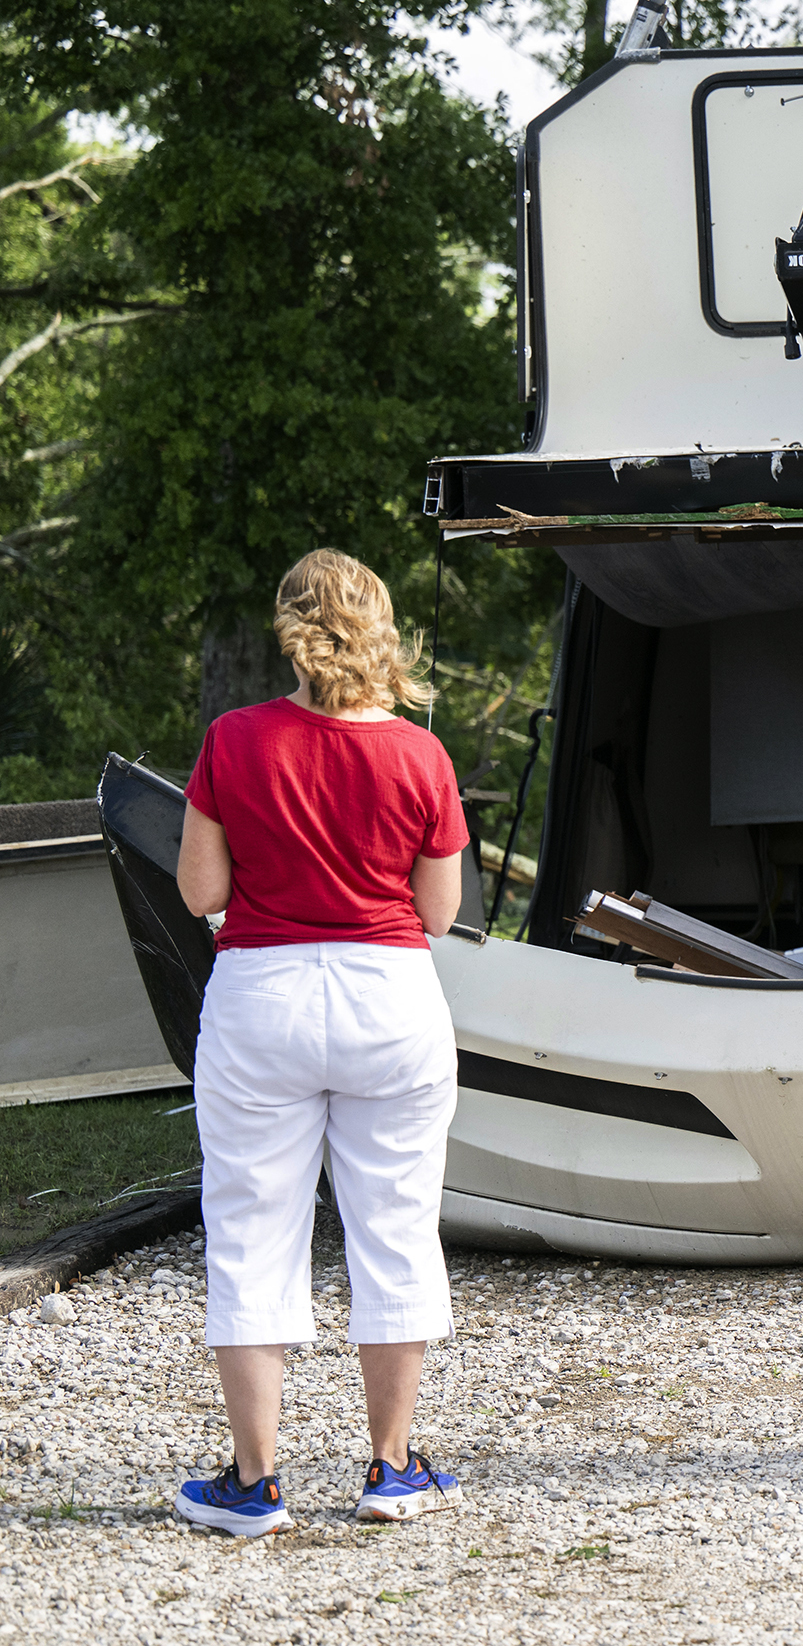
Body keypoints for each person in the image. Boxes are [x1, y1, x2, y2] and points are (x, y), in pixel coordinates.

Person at [171, 551, 473, 1536]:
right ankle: (390, 1466)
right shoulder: (422, 755)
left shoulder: (234, 739)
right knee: (394, 1224)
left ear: (290, 630)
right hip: (391, 995)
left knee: (254, 1229)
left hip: (264, 994)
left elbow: (202, 894)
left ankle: (253, 1483)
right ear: (379, 629)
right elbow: (437, 909)